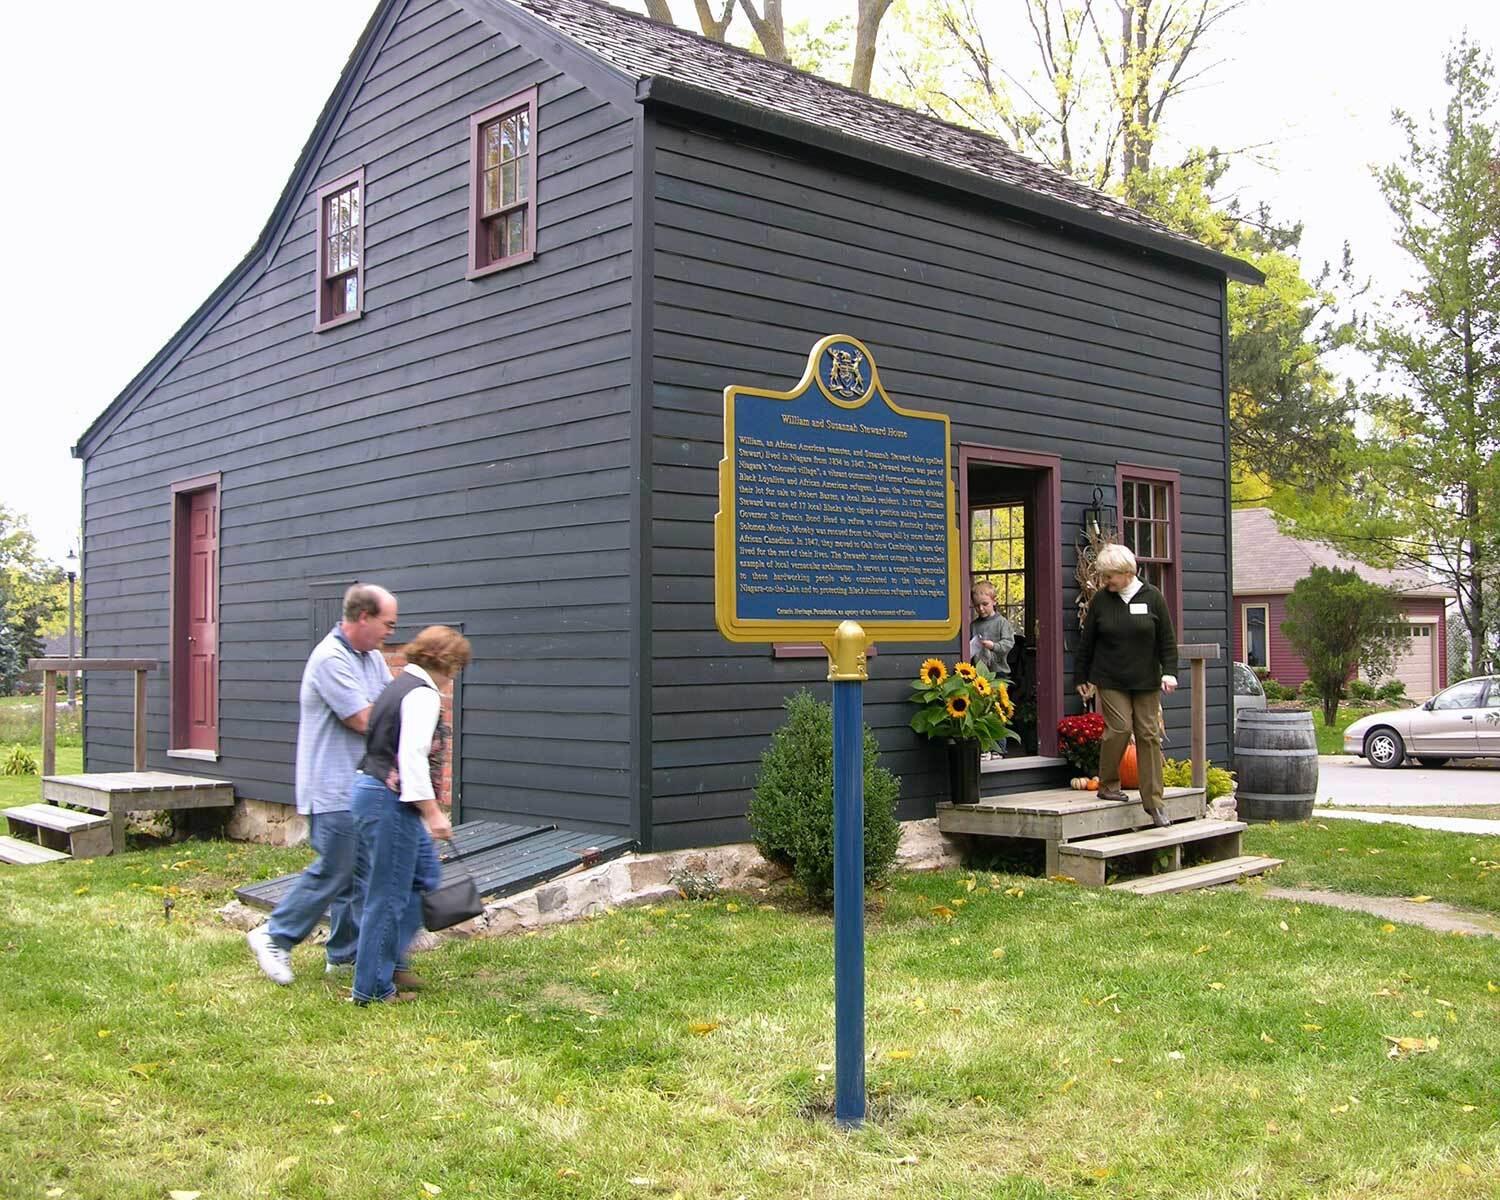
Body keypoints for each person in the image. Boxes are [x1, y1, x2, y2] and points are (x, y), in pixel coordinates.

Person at [247, 584, 397, 986]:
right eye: (387, 624)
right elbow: (364, 719)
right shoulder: (330, 658)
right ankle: (275, 935)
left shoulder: (371, 658)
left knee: (359, 875)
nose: (390, 632)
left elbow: (390, 705)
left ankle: (345, 955)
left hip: (360, 784)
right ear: (363, 617)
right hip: (331, 788)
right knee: (337, 867)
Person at [349, 624, 471, 1006]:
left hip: (380, 795)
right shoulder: (422, 695)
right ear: (445, 661)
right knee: (388, 895)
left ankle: (392, 963)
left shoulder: (400, 684)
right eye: (457, 666)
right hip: (389, 800)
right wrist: (433, 813)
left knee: (425, 875)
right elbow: (412, 758)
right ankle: (371, 989)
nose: (456, 675)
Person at [1074, 544, 1178, 828]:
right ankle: (1108, 784)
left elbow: (1167, 640)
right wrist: (1080, 677)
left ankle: (1154, 803)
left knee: (1149, 735)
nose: (1105, 581)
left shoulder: (1153, 597)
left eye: (1109, 576)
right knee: (1119, 728)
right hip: (1110, 678)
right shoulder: (1101, 601)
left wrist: (1170, 672)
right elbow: (1087, 643)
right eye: (1104, 576)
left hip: (1146, 680)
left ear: (1126, 572)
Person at [969, 580, 1016, 681]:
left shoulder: (1002, 622)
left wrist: (994, 646)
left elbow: (1009, 643)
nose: (981, 608)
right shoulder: (973, 625)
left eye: (985, 604)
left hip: (998, 673)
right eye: (977, 605)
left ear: (994, 601)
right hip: (978, 673)